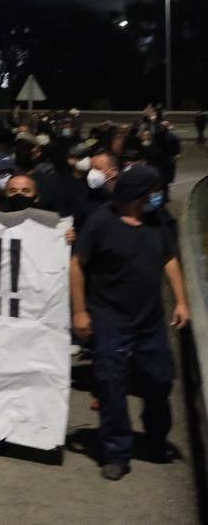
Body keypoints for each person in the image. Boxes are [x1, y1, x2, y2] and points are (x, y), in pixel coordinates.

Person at [71, 164, 190, 481]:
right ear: (138, 194)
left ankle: (156, 435)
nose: (158, 196)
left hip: (149, 322)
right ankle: (116, 452)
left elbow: (169, 259)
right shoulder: (101, 222)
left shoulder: (156, 221)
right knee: (112, 387)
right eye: (153, 191)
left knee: (160, 380)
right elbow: (77, 265)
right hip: (110, 320)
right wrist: (80, 312)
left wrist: (181, 301)